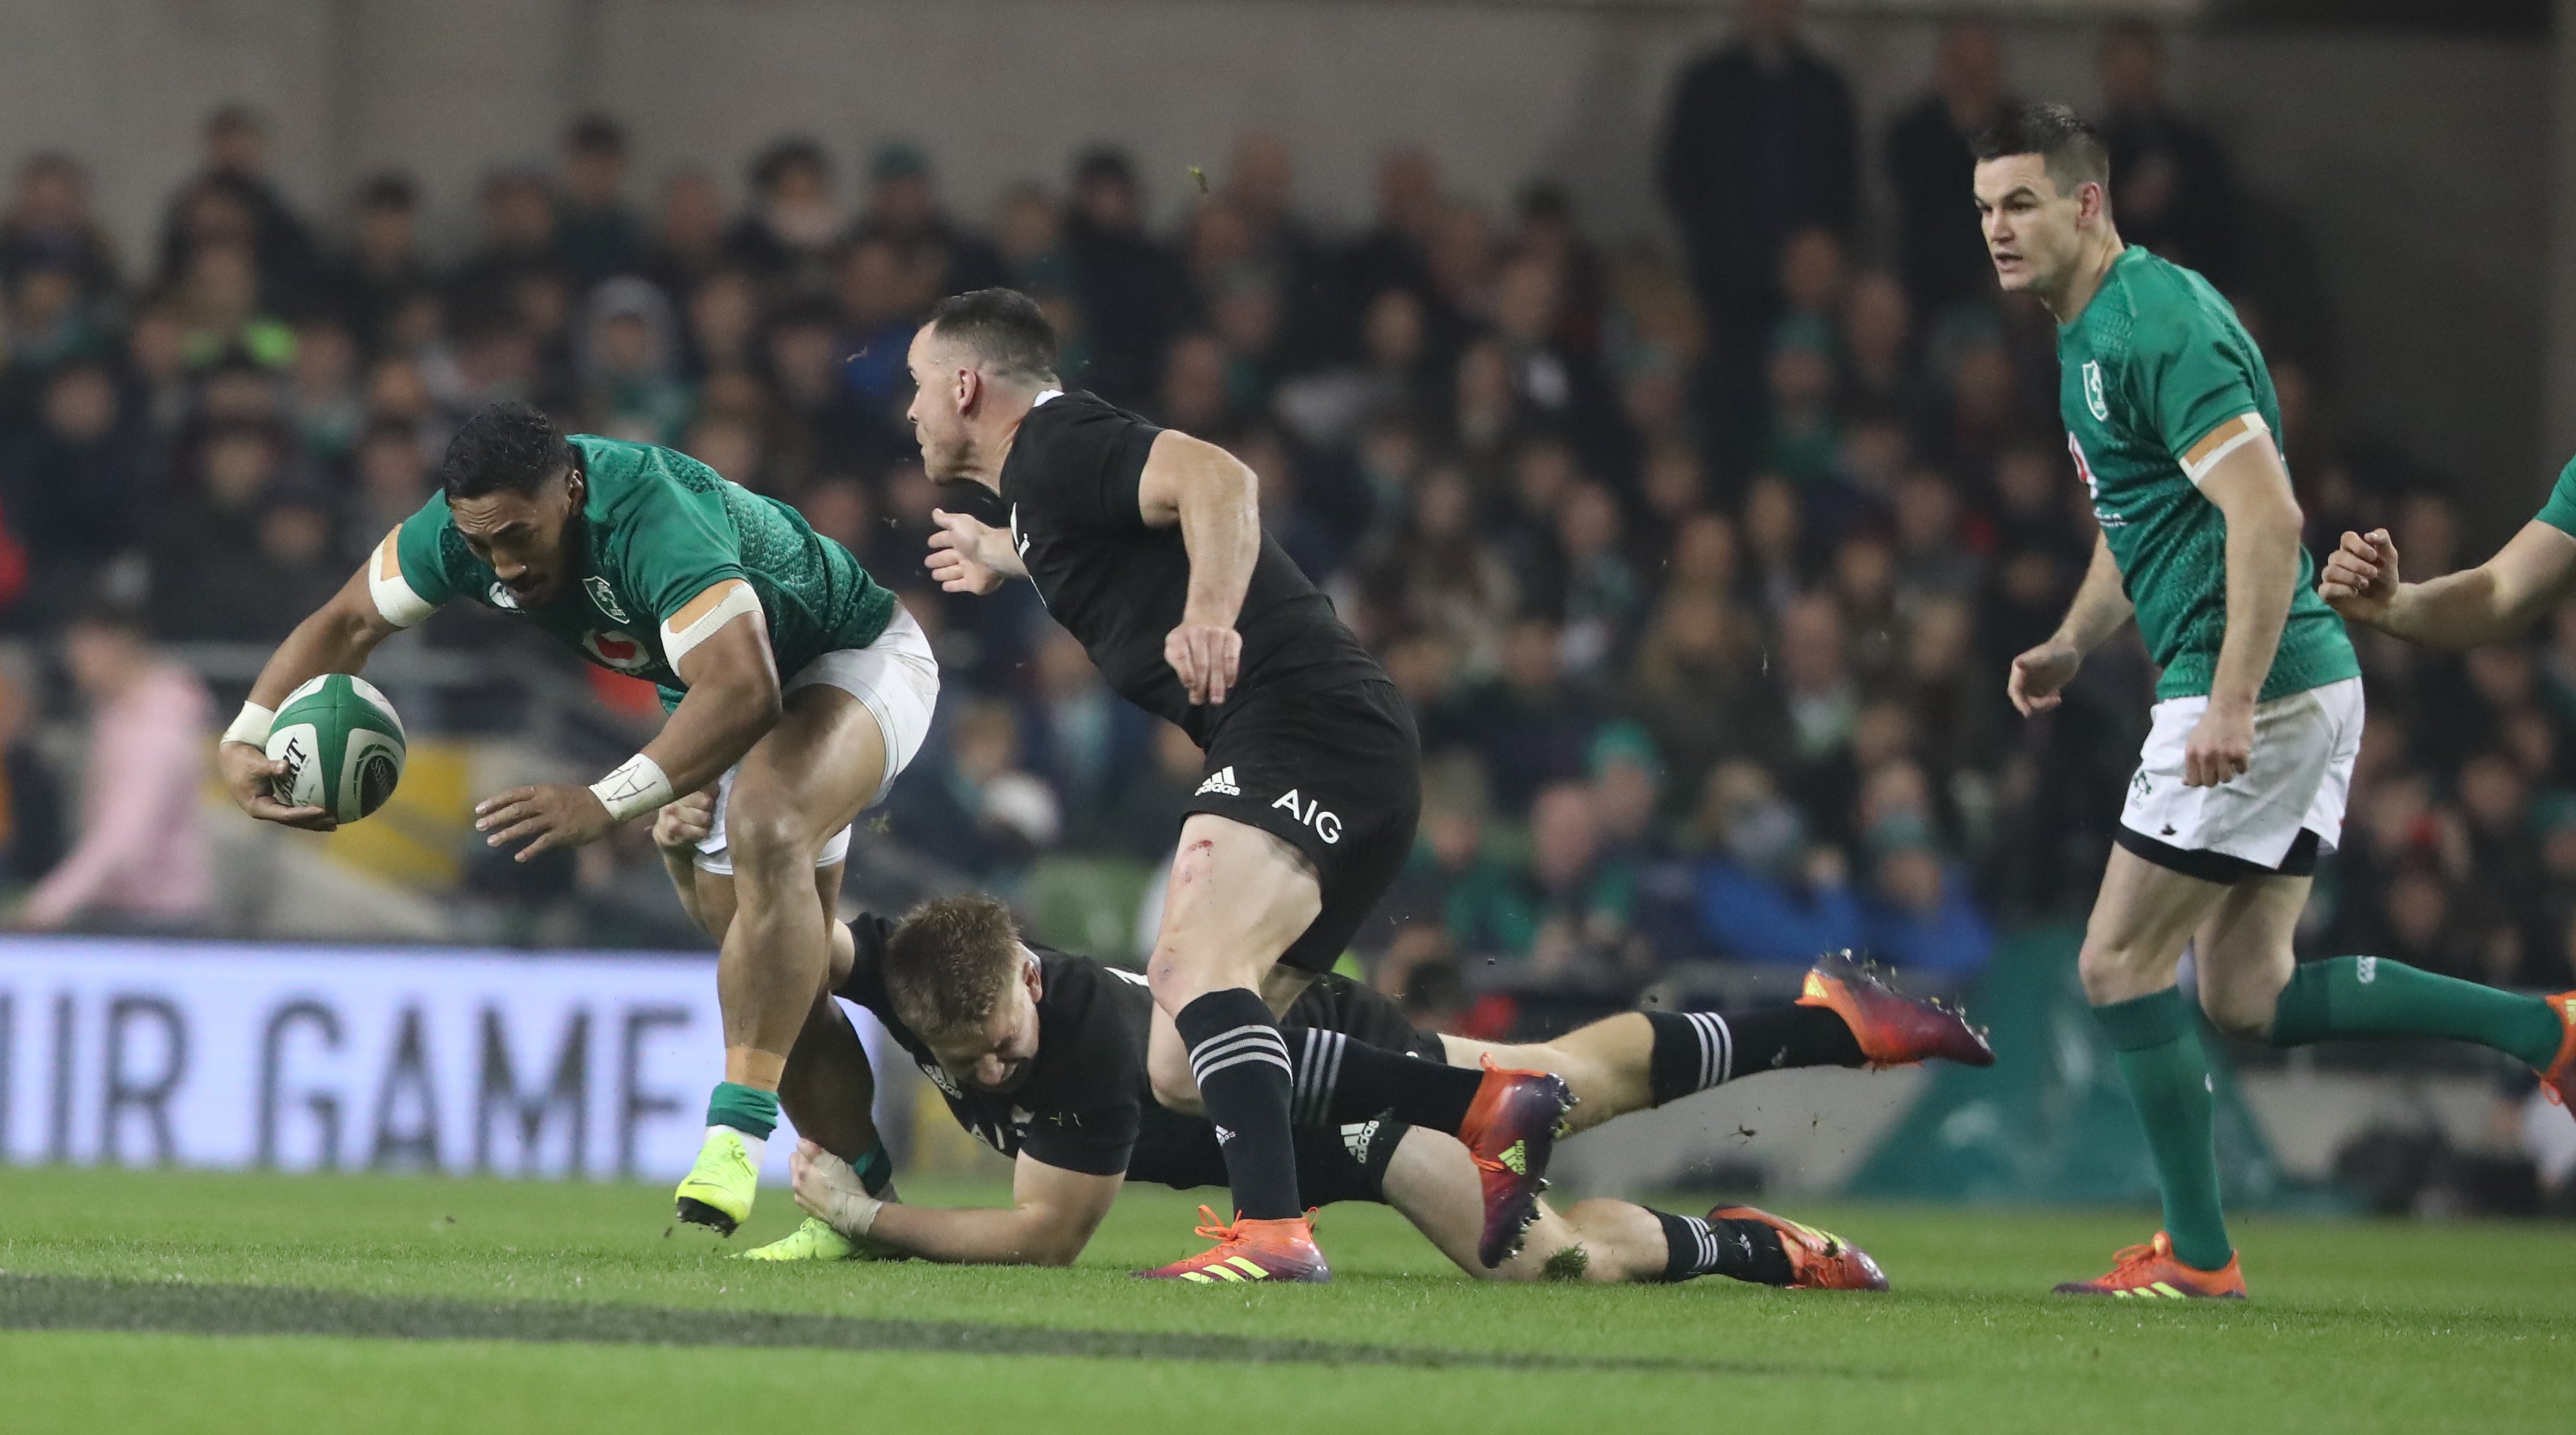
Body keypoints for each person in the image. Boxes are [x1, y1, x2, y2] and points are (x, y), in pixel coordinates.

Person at [1973, 104, 2575, 1299]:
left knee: (2112, 965)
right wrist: (2071, 640)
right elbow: (2137, 517)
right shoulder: (2088, 329)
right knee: (2245, 993)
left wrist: (2231, 701)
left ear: (2085, 203)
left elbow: (2265, 515)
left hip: (2250, 681)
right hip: (2279, 677)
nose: (1995, 229)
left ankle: (2198, 1256)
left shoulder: (2156, 327)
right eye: (1984, 207)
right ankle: (2539, 1028)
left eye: (2019, 203)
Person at [906, 289, 1570, 1282]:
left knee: (1184, 974)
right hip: (1340, 744)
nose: (910, 411)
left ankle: (1275, 1236)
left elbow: (1219, 479)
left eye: (918, 388)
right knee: (1181, 1067)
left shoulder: (1056, 442)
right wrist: (1005, 554)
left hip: (1301, 726)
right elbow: (1092, 539)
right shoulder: (1042, 502)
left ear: (966, 385)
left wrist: (1212, 614)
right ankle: (1484, 1105)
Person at [212, 401, 938, 1238]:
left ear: (574, 489)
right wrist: (245, 737)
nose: (504, 566)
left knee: (768, 823)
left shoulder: (649, 513)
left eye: (519, 535)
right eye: (482, 545)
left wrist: (608, 800)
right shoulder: (460, 536)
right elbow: (346, 622)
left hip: (852, 657)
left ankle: (734, 1138)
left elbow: (748, 689)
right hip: (715, 696)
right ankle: (861, 1209)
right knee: (773, 965)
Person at [633, 832, 1988, 1280]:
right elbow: (781, 942)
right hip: (1309, 1121)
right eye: (961, 1063)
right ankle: (1821, 1027)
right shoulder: (938, 979)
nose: (985, 1078)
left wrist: (870, 1217)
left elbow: (1044, 1237)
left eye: (997, 1050)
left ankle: (1767, 1232)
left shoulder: (1095, 1046)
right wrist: (702, 852)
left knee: (1554, 1251)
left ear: (1032, 982)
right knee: (1571, 1077)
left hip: (1344, 1086)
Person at [13, 603, 210, 933]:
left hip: (155, 918)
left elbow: (123, 841)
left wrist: (47, 906)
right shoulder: (118, 716)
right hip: (130, 908)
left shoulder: (154, 731)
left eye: (82, 646)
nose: (73, 659)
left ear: (116, 645)